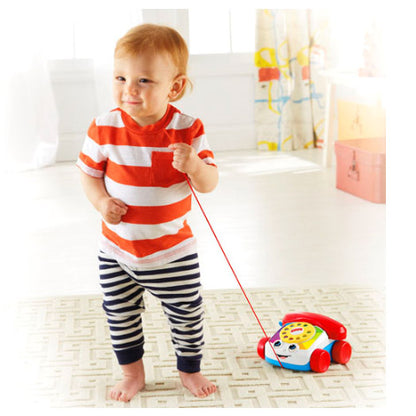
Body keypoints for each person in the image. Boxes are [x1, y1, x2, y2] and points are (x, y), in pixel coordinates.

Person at [76, 23, 218, 402]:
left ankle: (190, 370)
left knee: (187, 314)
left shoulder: (188, 129)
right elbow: (88, 175)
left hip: (172, 251)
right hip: (118, 250)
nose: (129, 89)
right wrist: (101, 202)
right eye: (120, 78)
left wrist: (194, 166)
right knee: (120, 315)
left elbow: (209, 183)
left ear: (175, 87)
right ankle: (132, 374)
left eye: (143, 80)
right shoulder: (103, 128)